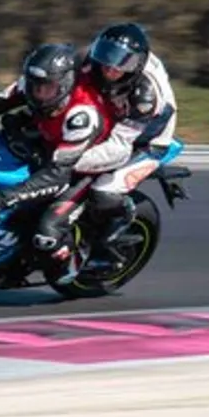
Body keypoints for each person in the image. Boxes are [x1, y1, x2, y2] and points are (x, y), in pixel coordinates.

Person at [0, 42, 119, 284]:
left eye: (46, 88)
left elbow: (58, 175)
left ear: (65, 85)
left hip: (84, 166)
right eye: (34, 86)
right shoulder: (37, 85)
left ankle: (79, 259)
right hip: (51, 146)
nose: (38, 93)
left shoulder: (81, 116)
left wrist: (3, 198)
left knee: (46, 235)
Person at [72, 22, 179, 248]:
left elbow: (118, 148)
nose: (110, 69)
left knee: (103, 191)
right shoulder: (91, 56)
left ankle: (121, 216)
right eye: (107, 57)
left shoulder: (146, 95)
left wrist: (68, 160)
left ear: (137, 64)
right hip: (117, 117)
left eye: (122, 64)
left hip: (146, 141)